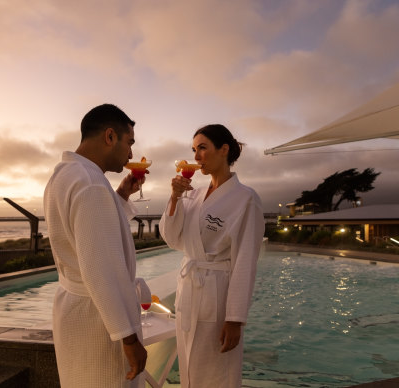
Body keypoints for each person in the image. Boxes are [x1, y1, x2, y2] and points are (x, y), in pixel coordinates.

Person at [44, 104, 148, 387]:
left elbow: (87, 233)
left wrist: (122, 195)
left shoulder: (64, 176)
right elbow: (99, 270)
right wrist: (128, 336)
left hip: (76, 312)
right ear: (110, 136)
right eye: (129, 143)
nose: (130, 154)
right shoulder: (91, 184)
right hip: (99, 323)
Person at [159, 124, 265, 388]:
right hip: (189, 293)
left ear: (224, 149)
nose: (196, 157)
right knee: (189, 368)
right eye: (194, 150)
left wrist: (235, 318)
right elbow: (172, 239)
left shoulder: (246, 199)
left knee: (217, 372)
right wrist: (174, 197)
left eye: (203, 148)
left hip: (218, 297)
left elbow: (245, 260)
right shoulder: (191, 195)